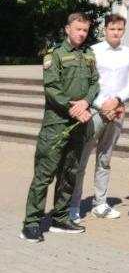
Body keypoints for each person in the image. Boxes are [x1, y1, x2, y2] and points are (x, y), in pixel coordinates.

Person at [21, 12, 99, 242]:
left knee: (70, 172)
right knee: (44, 174)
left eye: (85, 30)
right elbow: (52, 88)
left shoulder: (89, 55)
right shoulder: (53, 54)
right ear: (67, 29)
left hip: (79, 124)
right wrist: (73, 108)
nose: (82, 34)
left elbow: (95, 83)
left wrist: (86, 102)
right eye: (78, 29)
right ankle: (31, 223)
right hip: (56, 124)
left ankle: (60, 218)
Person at [70, 13, 129, 222]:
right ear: (105, 30)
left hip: (117, 111)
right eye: (112, 29)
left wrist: (117, 100)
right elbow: (88, 81)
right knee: (81, 159)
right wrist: (101, 105)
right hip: (95, 110)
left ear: (123, 31)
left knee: (105, 159)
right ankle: (73, 206)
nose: (116, 33)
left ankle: (100, 203)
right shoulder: (94, 51)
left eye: (120, 29)